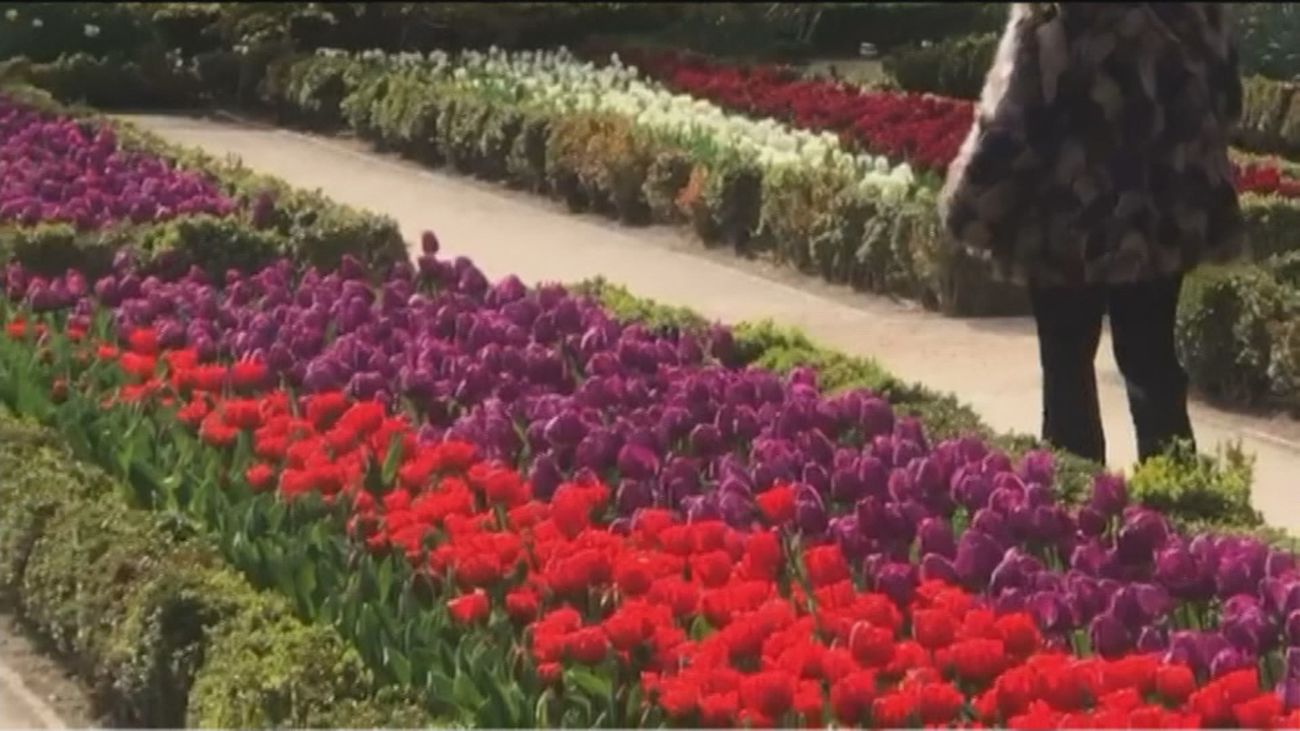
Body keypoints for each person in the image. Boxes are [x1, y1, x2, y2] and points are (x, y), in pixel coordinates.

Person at [940, 3, 1244, 465]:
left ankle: (1078, 499)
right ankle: (1180, 495)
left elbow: (1011, 127)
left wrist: (967, 206)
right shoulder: (1195, 14)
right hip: (1160, 217)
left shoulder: (1055, 15)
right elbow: (1228, 105)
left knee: (1067, 367)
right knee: (1151, 361)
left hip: (1069, 223)